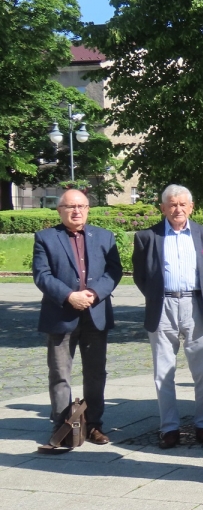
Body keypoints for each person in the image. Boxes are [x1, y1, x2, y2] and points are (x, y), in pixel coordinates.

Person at [33, 189, 123, 447]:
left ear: (88, 209)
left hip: (96, 314)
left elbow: (114, 271)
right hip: (60, 314)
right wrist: (69, 296)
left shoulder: (104, 237)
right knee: (60, 373)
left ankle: (93, 425)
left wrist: (94, 294)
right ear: (59, 210)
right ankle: (63, 427)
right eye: (70, 207)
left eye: (81, 206)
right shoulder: (45, 238)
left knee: (96, 373)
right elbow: (42, 275)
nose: (76, 211)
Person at [133, 185, 203, 449]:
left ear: (191, 207)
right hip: (163, 305)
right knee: (163, 371)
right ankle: (169, 428)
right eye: (172, 204)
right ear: (163, 208)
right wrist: (157, 296)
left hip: (197, 305)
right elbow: (140, 275)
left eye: (182, 204)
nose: (177, 209)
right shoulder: (147, 237)